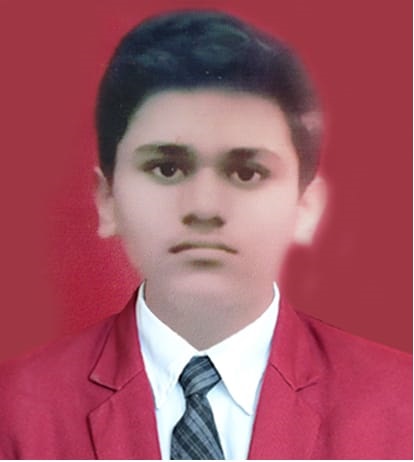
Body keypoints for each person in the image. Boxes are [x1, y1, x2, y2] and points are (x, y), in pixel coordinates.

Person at [0, 10, 411, 460]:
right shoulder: (15, 409)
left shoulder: (401, 404)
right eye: (167, 168)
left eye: (247, 172)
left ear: (305, 207)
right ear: (107, 199)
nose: (204, 208)